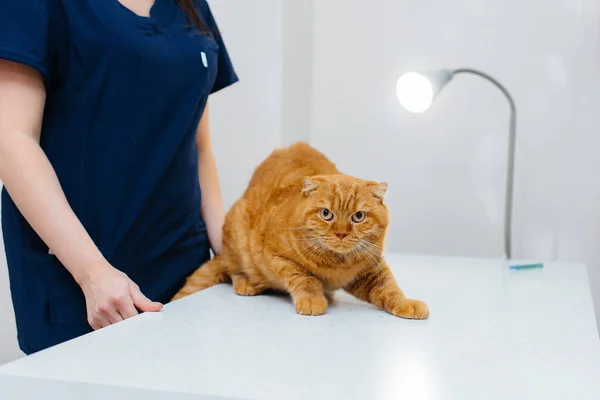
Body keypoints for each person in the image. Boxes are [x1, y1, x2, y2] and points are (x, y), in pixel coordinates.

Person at [0, 0, 238, 354]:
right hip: (80, 268)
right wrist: (92, 272)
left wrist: (232, 250)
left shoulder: (190, 5)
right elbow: (12, 139)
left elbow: (198, 144)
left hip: (186, 264)